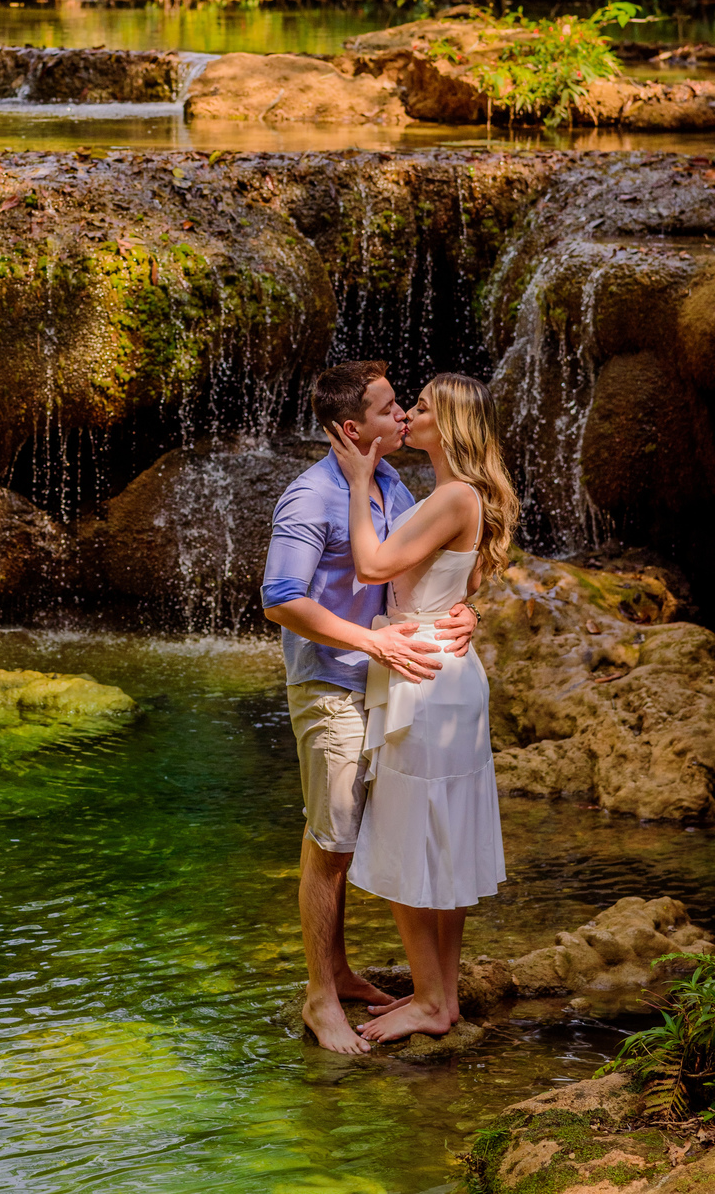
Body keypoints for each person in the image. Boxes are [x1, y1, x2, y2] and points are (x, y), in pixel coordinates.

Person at [261, 362, 479, 1056]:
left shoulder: (390, 481)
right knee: (334, 841)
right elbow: (280, 599)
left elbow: (418, 567)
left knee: (372, 833)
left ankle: (343, 972)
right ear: (355, 429)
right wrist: (371, 642)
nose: (404, 419)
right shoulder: (308, 499)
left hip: (394, 685)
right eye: (392, 410)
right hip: (333, 684)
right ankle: (320, 998)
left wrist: (461, 608)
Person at [326, 371, 518, 1044]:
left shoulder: (453, 495)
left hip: (426, 678)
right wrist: (466, 612)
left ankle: (432, 1000)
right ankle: (444, 995)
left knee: (413, 834)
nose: (408, 414)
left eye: (424, 408)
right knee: (442, 834)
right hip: (444, 668)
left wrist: (356, 481)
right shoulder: (453, 495)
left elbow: (374, 566)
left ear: (453, 425)